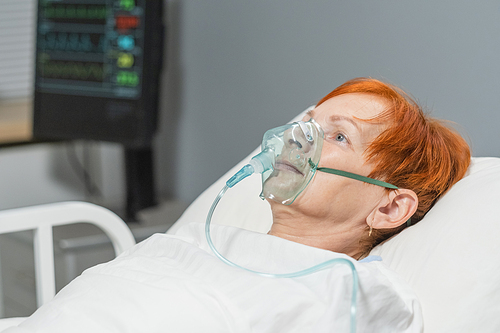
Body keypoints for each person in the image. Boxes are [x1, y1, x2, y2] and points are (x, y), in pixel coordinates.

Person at [4, 78, 470, 333]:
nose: (295, 138)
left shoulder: (350, 293)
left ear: (389, 209)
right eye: (306, 123)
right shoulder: (201, 240)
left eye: (339, 135)